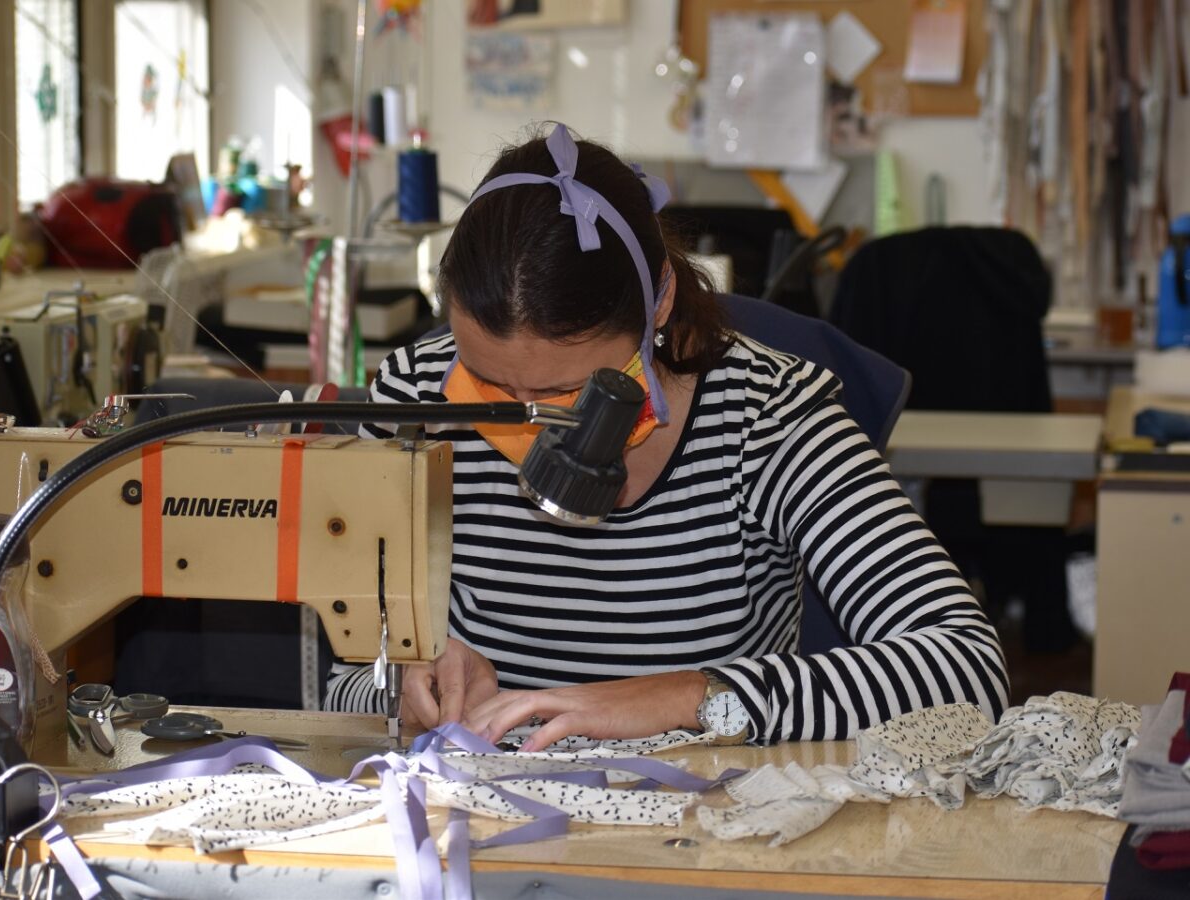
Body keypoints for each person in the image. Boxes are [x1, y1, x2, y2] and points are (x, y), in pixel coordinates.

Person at [325, 123, 1009, 750]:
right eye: (487, 385)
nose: (525, 420)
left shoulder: (767, 419)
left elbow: (966, 670)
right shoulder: (418, 398)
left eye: (567, 393)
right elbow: (330, 675)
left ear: (659, 302)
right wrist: (402, 687)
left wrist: (690, 696)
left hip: (698, 835)